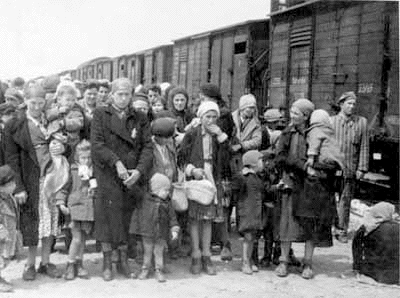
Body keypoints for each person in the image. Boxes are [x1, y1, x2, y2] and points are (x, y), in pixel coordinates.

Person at [91, 78, 153, 281]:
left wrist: (139, 171)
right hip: (108, 174)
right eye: (120, 94)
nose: (124, 98)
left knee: (127, 218)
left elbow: (147, 147)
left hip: (131, 176)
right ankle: (108, 261)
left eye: (127, 94)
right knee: (107, 218)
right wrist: (116, 162)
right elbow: (97, 145)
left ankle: (124, 260)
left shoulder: (140, 117)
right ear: (112, 95)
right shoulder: (101, 114)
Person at [5, 83, 66, 280]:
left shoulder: (52, 121)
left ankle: (46, 262)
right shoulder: (15, 124)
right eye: (33, 103)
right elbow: (12, 159)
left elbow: (67, 144)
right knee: (33, 224)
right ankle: (30, 264)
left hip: (53, 177)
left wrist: (63, 149)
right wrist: (19, 187)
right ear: (25, 102)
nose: (37, 107)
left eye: (41, 103)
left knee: (51, 222)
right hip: (31, 180)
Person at [275, 98, 336, 279]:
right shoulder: (287, 133)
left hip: (312, 186)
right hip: (292, 183)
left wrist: (316, 168)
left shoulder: (316, 133)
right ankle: (283, 261)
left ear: (306, 116)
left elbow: (329, 157)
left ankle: (307, 263)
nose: (292, 116)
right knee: (287, 225)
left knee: (311, 225)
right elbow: (280, 157)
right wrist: (302, 166)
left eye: (296, 113)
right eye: (292, 112)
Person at [178, 101, 230, 276]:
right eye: (208, 116)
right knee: (195, 218)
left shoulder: (218, 136)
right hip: (197, 178)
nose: (211, 120)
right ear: (200, 117)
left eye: (214, 117)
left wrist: (222, 138)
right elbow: (181, 158)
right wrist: (192, 170)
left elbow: (226, 158)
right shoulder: (192, 134)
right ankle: (195, 254)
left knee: (208, 218)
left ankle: (207, 255)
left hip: (213, 177)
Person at [331, 91, 369, 243]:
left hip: (349, 169)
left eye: (354, 104)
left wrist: (362, 168)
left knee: (345, 201)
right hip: (332, 168)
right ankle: (328, 228)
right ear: (341, 105)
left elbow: (364, 146)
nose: (352, 107)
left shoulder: (361, 122)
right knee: (328, 199)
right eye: (349, 103)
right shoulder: (331, 121)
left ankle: (341, 230)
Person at [130, 173, 179, 282]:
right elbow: (134, 190)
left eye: (168, 190)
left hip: (161, 233)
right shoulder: (145, 199)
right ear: (156, 189)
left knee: (159, 252)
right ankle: (145, 269)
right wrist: (131, 179)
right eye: (165, 190)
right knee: (147, 252)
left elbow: (172, 217)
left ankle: (159, 270)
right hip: (147, 232)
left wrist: (174, 228)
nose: (167, 193)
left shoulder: (167, 202)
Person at [62, 140, 96, 280]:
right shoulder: (72, 170)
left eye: (88, 157)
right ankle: (70, 264)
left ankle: (79, 263)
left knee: (82, 239)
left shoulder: (93, 171)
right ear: (77, 157)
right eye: (83, 157)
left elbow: (95, 187)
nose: (86, 160)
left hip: (87, 208)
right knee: (76, 238)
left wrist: (93, 190)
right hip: (75, 207)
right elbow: (64, 187)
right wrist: (60, 203)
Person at [232, 150, 264, 274]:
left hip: (255, 211)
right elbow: (236, 190)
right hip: (247, 211)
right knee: (248, 237)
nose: (263, 164)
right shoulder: (244, 177)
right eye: (260, 161)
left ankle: (249, 260)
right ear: (254, 163)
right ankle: (245, 261)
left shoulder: (256, 177)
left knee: (252, 237)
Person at [352, 202, 399, 285]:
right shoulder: (397, 228)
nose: (395, 215)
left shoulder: (366, 227)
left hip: (372, 273)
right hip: (395, 276)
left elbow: (356, 248)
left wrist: (357, 267)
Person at [0, 165, 18, 292]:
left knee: (6, 258)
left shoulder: (10, 198)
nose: (14, 185)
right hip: (2, 235)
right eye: (11, 183)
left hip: (9, 235)